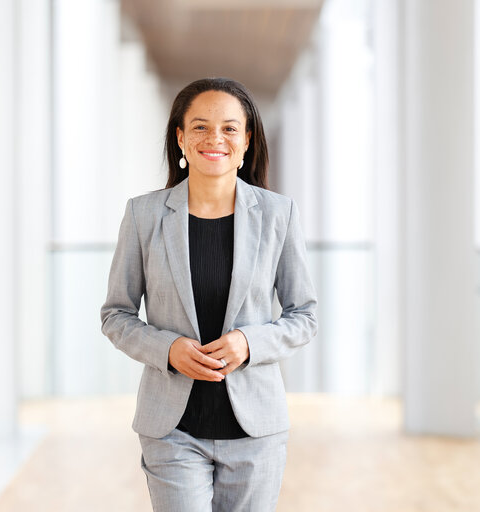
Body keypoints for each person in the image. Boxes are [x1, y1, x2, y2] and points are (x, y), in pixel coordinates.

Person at [100, 77, 317, 512]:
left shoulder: (278, 214)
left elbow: (304, 316)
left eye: (229, 128)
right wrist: (168, 348)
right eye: (199, 127)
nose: (214, 138)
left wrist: (249, 343)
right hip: (172, 428)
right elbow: (116, 314)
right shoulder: (144, 215)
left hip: (257, 431)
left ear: (247, 141)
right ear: (180, 138)